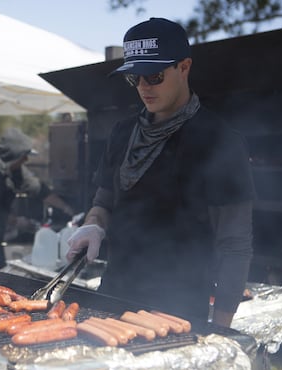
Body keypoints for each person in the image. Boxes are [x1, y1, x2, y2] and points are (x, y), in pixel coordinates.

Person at [66, 18, 255, 328]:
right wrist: (93, 225)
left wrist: (221, 327)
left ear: (184, 67)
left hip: (178, 308)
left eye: (154, 76)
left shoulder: (219, 140)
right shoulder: (122, 132)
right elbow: (104, 200)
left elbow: (235, 243)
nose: (143, 87)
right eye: (134, 78)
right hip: (113, 297)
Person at [0, 128, 74, 270]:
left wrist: (66, 208)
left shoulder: (15, 168)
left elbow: (38, 189)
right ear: (13, 154)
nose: (26, 159)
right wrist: (18, 222)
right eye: (24, 155)